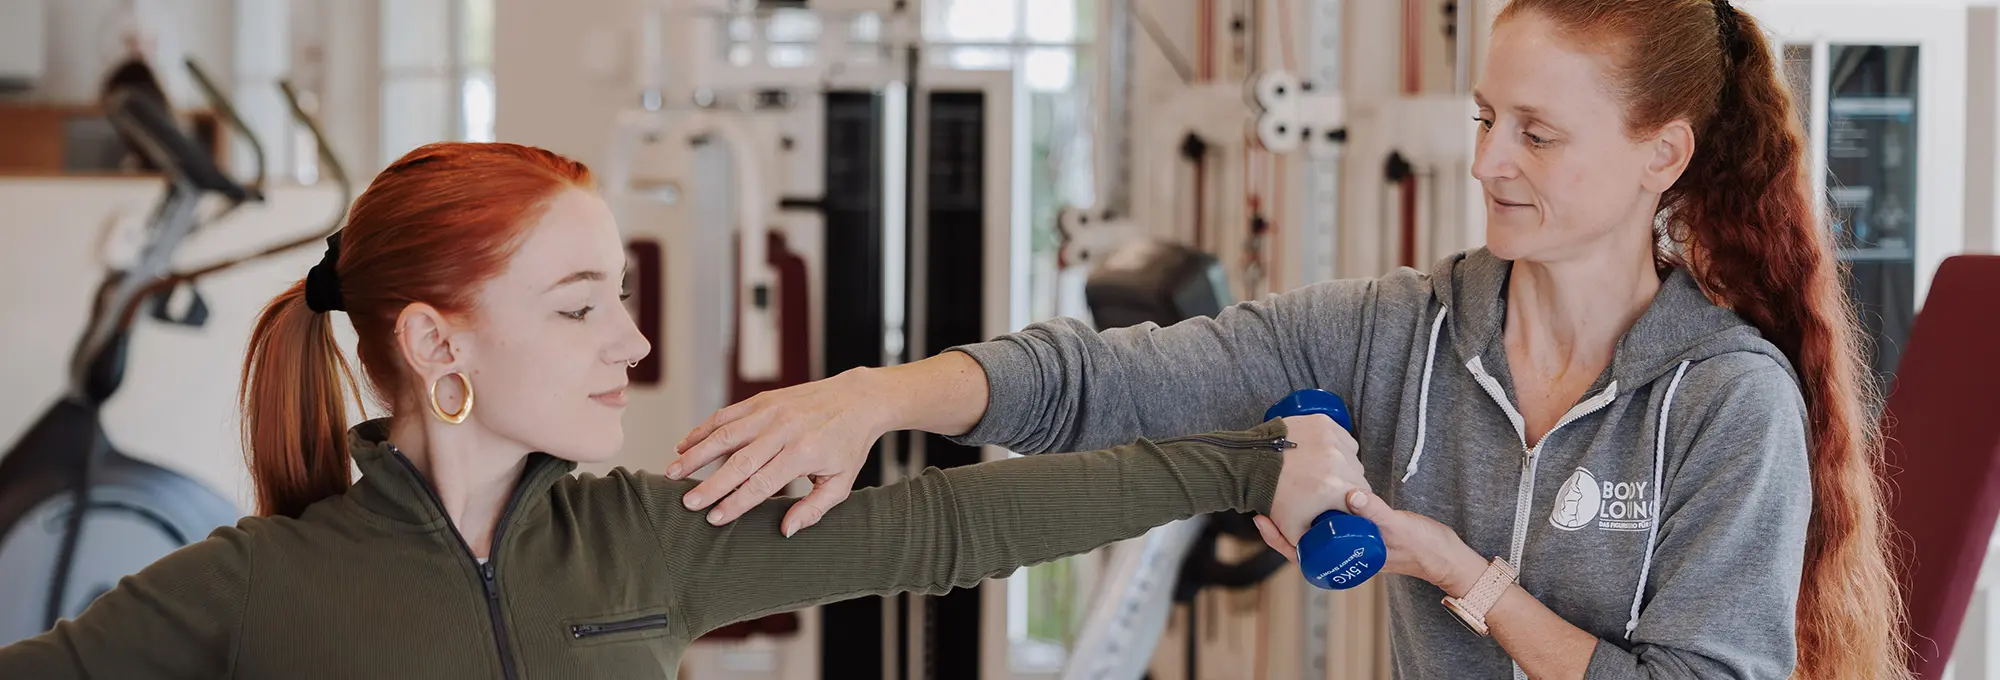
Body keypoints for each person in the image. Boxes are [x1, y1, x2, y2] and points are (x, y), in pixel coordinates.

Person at [669, 2, 1906, 679]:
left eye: (1536, 133)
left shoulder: (1722, 399)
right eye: (1485, 119)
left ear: (1660, 154)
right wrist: (876, 396)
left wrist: (1453, 569)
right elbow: (1108, 380)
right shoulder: (1401, 331)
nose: (1487, 162)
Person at [0, 141, 1367, 679]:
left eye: (622, 297)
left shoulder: (651, 539)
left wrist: (1246, 464)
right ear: (433, 340)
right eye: (578, 306)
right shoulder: (254, 588)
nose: (632, 340)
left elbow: (947, 529)